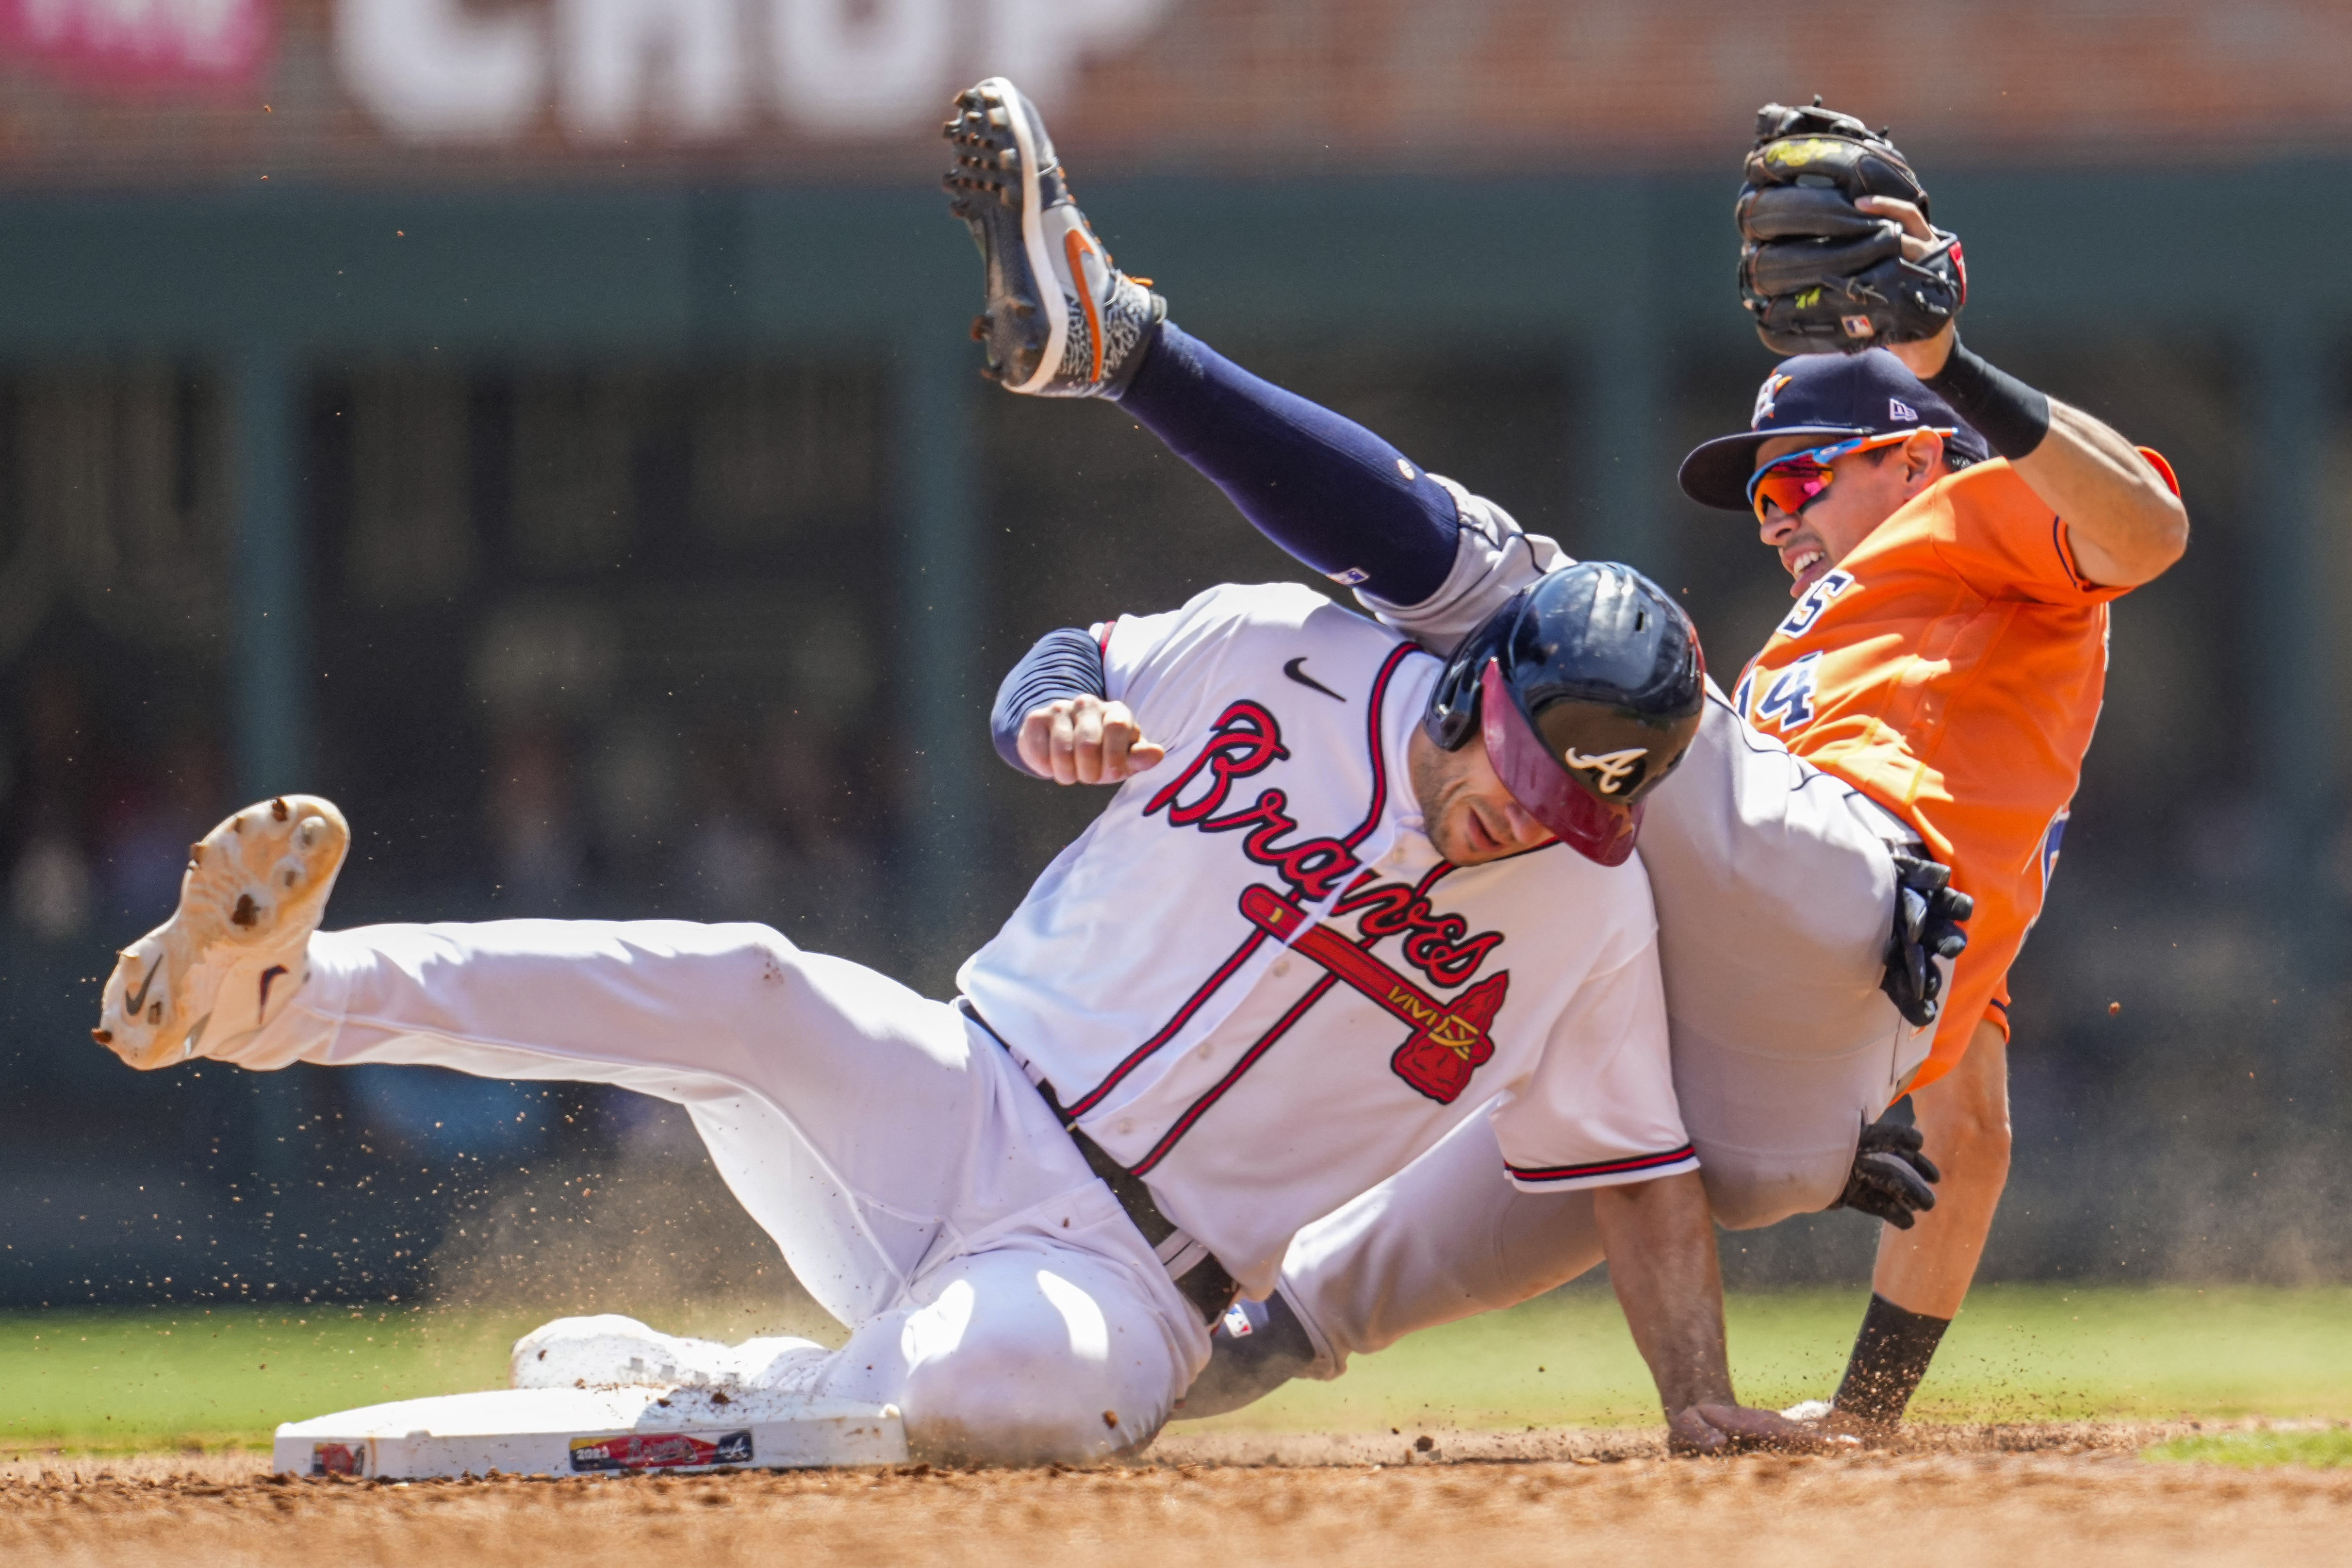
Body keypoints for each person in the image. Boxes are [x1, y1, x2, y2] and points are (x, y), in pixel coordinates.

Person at [950, 78, 2186, 1428]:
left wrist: (1950, 366)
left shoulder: (1986, 512)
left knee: (1532, 610)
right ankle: (1009, 1382)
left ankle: (1124, 348)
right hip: (1770, 1095)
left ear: (1912, 457)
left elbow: (2147, 538)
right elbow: (1976, 1128)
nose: (1774, 516)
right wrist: (1870, 1412)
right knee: (1291, 1303)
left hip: (1835, 906)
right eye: (1759, 495)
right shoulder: (1803, 697)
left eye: (1801, 475)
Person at [90, 545, 1824, 1464]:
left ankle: (730, 1388)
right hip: (955, 1093)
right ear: (1475, 679)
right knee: (741, 982)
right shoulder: (1285, 651)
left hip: (1136, 1279)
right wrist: (1045, 723)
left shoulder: (1590, 912)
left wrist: (1696, 1392)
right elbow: (1067, 661)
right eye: (1533, 760)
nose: (1541, 809)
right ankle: (275, 999)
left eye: (1592, 796)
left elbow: (1638, 1167)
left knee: (996, 1394)